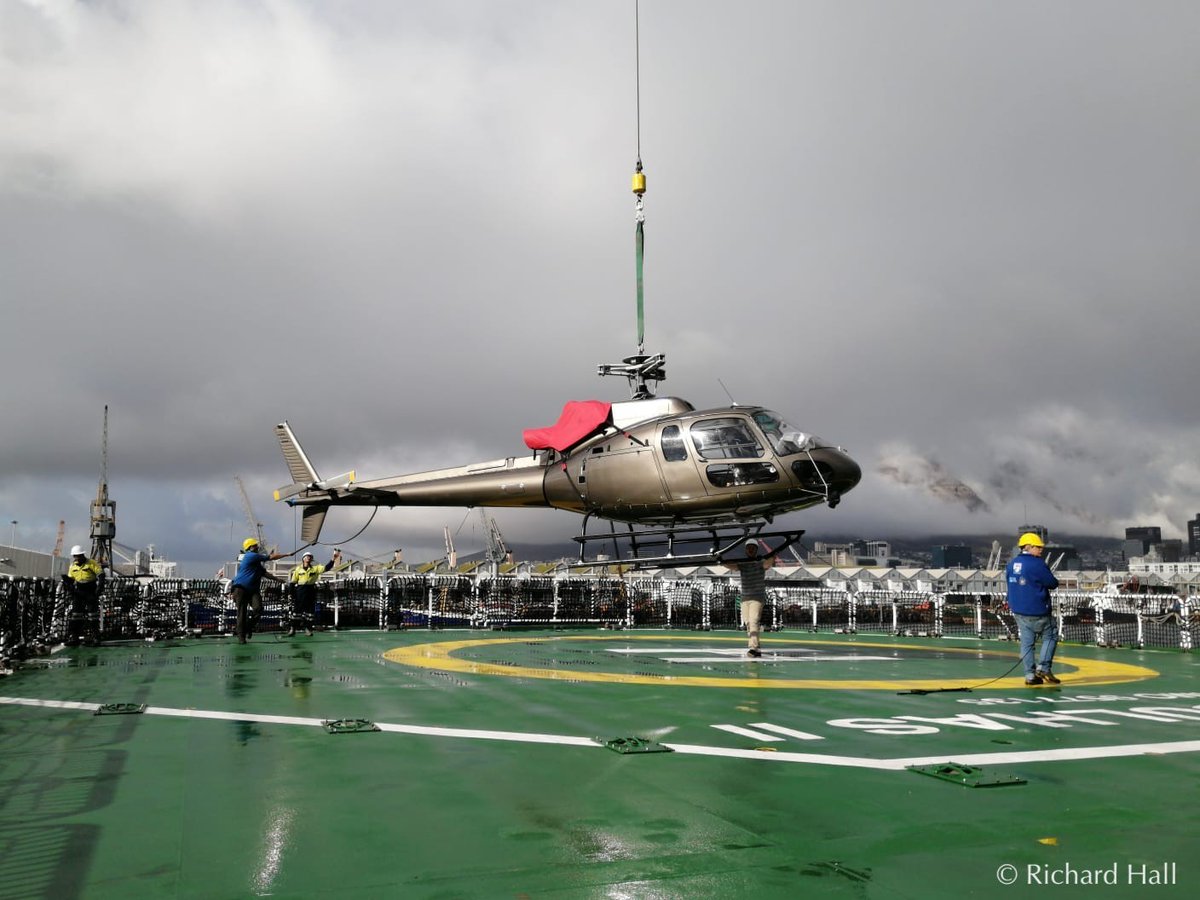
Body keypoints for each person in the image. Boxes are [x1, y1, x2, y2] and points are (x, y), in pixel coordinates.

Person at [1005, 532, 1061, 685]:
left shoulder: (1011, 564)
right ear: (1028, 547)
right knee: (1051, 636)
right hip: (1039, 610)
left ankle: (1030, 675)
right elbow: (1052, 583)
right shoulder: (1037, 564)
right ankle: (1043, 667)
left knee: (1027, 643)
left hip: (1018, 610)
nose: (1041, 550)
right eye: (1038, 547)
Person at [230, 538, 291, 644]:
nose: (257, 547)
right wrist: (286, 554)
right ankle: (241, 636)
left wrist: (277, 579)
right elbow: (271, 557)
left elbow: (264, 573)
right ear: (250, 547)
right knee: (242, 613)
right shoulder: (250, 556)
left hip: (252, 590)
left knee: (258, 609)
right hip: (240, 588)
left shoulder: (256, 562)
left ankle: (248, 628)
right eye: (255, 545)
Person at [724, 541, 776, 658]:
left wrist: (773, 556)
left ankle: (753, 647)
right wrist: (721, 561)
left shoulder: (760, 562)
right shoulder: (743, 563)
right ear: (746, 550)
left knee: (753, 621)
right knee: (748, 623)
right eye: (748, 548)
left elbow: (768, 564)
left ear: (756, 549)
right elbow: (731, 566)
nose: (750, 550)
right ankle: (757, 649)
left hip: (757, 597)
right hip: (745, 598)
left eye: (753, 548)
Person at [287, 549, 342, 636]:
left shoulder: (315, 568)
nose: (309, 558)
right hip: (300, 591)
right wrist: (290, 593)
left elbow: (326, 568)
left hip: (310, 590)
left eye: (310, 557)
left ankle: (308, 629)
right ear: (303, 559)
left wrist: (333, 559)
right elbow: (293, 582)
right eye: (307, 556)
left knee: (310, 612)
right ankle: (292, 628)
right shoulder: (298, 569)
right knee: (296, 611)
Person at [63, 545, 104, 646]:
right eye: (75, 556)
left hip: (90, 591)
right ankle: (74, 638)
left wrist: (98, 590)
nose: (77, 558)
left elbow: (101, 575)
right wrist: (67, 581)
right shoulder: (73, 566)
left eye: (78, 556)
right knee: (75, 615)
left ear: (82, 555)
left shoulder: (91, 563)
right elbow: (71, 580)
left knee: (92, 616)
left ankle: (95, 638)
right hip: (79, 592)